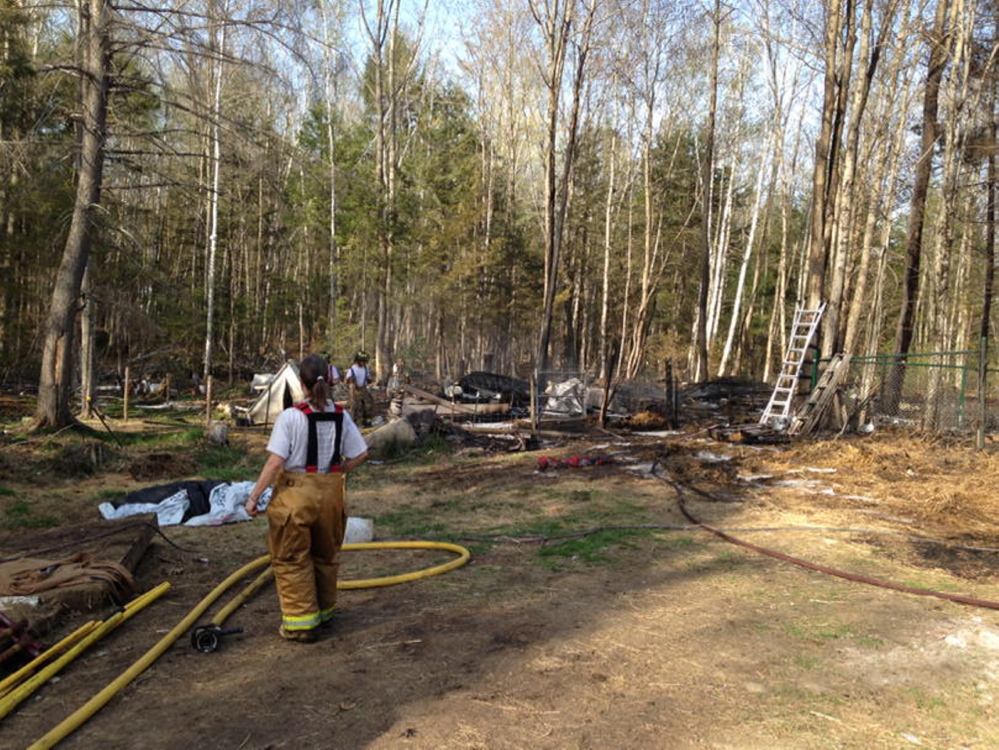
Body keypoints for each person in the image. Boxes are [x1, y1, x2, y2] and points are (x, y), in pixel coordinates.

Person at [244, 353, 369, 643]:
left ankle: (301, 625)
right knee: (326, 555)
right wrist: (339, 470)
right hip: (331, 494)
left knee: (292, 558)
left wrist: (253, 498)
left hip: (295, 496)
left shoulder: (291, 417)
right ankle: (324, 613)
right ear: (330, 379)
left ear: (301, 383)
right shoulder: (341, 415)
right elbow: (361, 453)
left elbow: (276, 463)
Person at [344, 350, 374, 426]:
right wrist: (350, 380)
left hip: (363, 389)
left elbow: (368, 377)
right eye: (363, 362)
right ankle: (357, 423)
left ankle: (367, 421)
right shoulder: (352, 369)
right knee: (357, 407)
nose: (364, 363)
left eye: (365, 362)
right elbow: (346, 381)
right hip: (355, 390)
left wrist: (369, 379)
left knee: (368, 404)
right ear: (358, 360)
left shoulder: (366, 368)